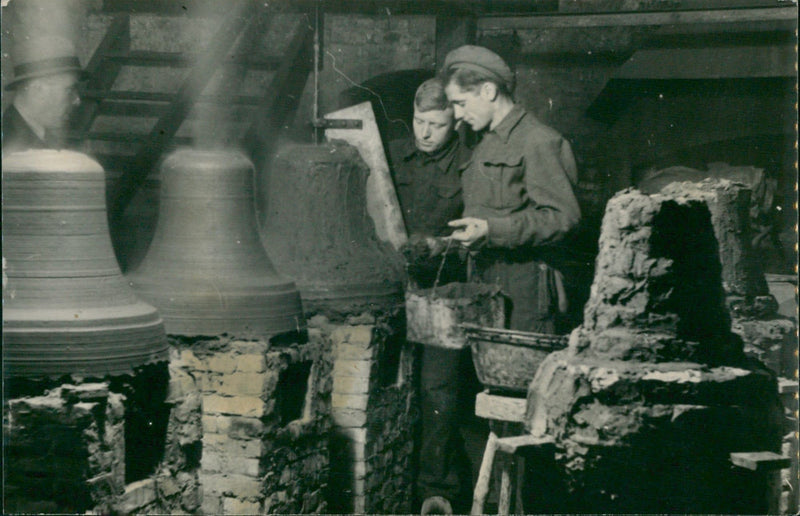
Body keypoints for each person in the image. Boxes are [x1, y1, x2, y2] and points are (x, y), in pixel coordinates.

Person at [442, 45, 581, 334]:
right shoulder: (484, 143)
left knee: (521, 376)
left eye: (462, 102)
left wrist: (492, 231)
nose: (457, 114)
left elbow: (563, 217)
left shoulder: (538, 140)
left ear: (489, 91)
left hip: (526, 290)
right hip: (485, 282)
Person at [388, 78, 475, 515]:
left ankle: (436, 493)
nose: (424, 133)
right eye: (420, 122)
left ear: (455, 122)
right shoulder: (392, 156)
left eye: (436, 125)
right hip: (394, 288)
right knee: (394, 386)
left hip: (444, 293)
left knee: (438, 391)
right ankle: (395, 480)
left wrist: (440, 246)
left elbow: (479, 237)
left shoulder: (470, 165)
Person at [3, 35, 85, 153]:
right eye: (69, 90)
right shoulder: (10, 145)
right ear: (38, 89)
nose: (77, 100)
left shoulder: (40, 134)